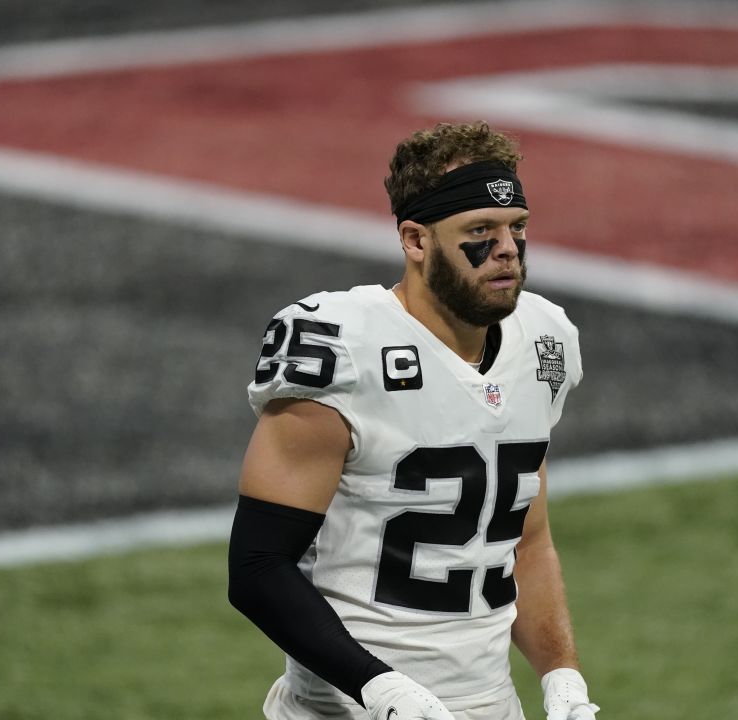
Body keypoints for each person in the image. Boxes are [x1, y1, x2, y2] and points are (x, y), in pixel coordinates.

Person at [228, 121, 600, 720]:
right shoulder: (343, 346)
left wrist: (562, 675)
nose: (507, 249)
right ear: (416, 240)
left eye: (517, 228)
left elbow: (525, 542)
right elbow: (257, 568)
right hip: (346, 710)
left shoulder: (545, 339)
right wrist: (380, 688)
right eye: (480, 231)